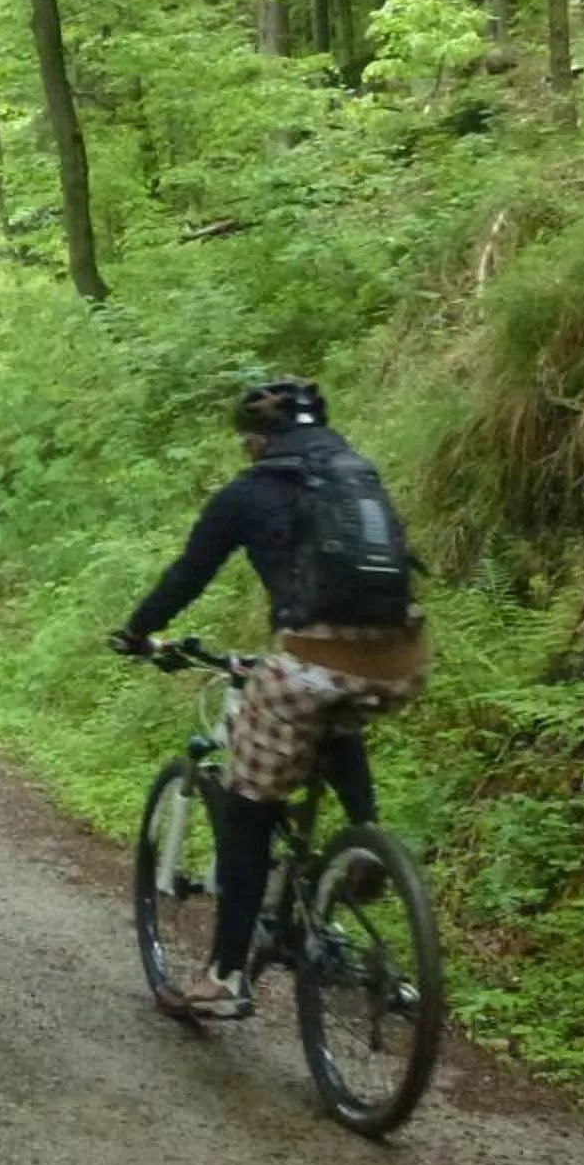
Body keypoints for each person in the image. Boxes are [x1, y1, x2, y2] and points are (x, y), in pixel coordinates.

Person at [110, 377, 429, 1019]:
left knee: (248, 810)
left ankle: (226, 976)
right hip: (404, 657)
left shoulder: (247, 493)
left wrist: (138, 632)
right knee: (334, 715)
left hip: (311, 657)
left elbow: (188, 574)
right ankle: (366, 844)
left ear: (256, 442)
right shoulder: (357, 476)